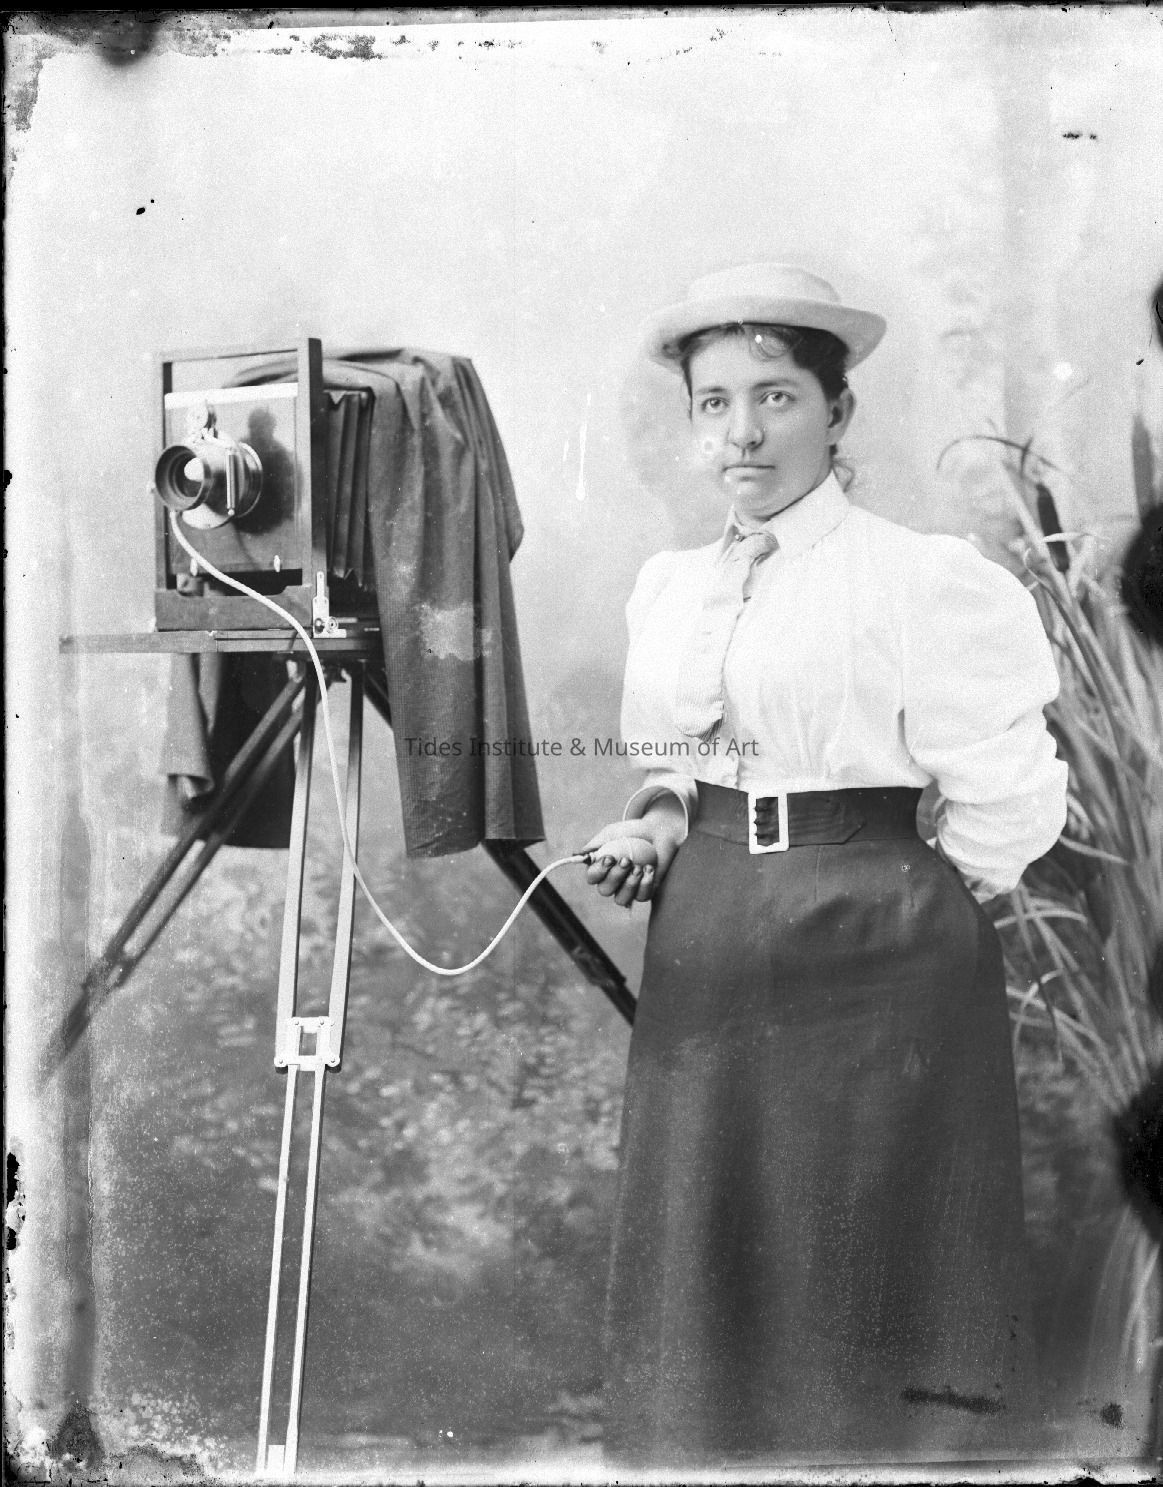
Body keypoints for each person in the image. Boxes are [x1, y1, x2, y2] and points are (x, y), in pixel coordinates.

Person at [582, 263, 1069, 1468]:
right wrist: (653, 822)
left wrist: (902, 892)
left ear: (836, 410)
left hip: (876, 947)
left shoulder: (915, 578)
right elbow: (676, 760)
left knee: (867, 1242)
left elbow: (1006, 792)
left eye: (775, 397)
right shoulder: (671, 588)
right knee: (712, 1231)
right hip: (707, 935)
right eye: (713, 402)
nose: (741, 432)